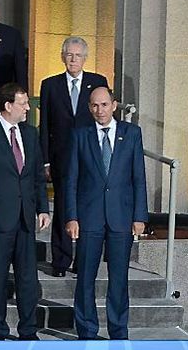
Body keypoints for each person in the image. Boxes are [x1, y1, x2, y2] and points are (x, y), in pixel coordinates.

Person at [65, 87, 148, 340]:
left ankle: (118, 331)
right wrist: (71, 216)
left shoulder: (131, 134)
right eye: (94, 105)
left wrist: (140, 216)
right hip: (89, 216)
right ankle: (87, 331)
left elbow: (139, 178)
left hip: (121, 217)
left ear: (114, 105)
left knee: (119, 280)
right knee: (86, 279)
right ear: (89, 108)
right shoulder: (81, 135)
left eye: (103, 105)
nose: (99, 110)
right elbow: (71, 179)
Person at [0, 83, 50, 341]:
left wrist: (42, 207)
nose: (28, 107)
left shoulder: (29, 133)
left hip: (25, 218)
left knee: (28, 279)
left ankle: (28, 330)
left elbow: (37, 175)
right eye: (23, 103)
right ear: (7, 106)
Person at [40, 36, 108, 276]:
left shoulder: (98, 82)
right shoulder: (50, 85)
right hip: (61, 157)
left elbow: (103, 119)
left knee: (88, 208)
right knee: (62, 206)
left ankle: (84, 261)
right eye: (69, 54)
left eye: (78, 55)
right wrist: (45, 160)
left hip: (91, 156)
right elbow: (45, 124)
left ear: (85, 58)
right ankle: (60, 260)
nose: (73, 59)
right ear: (62, 57)